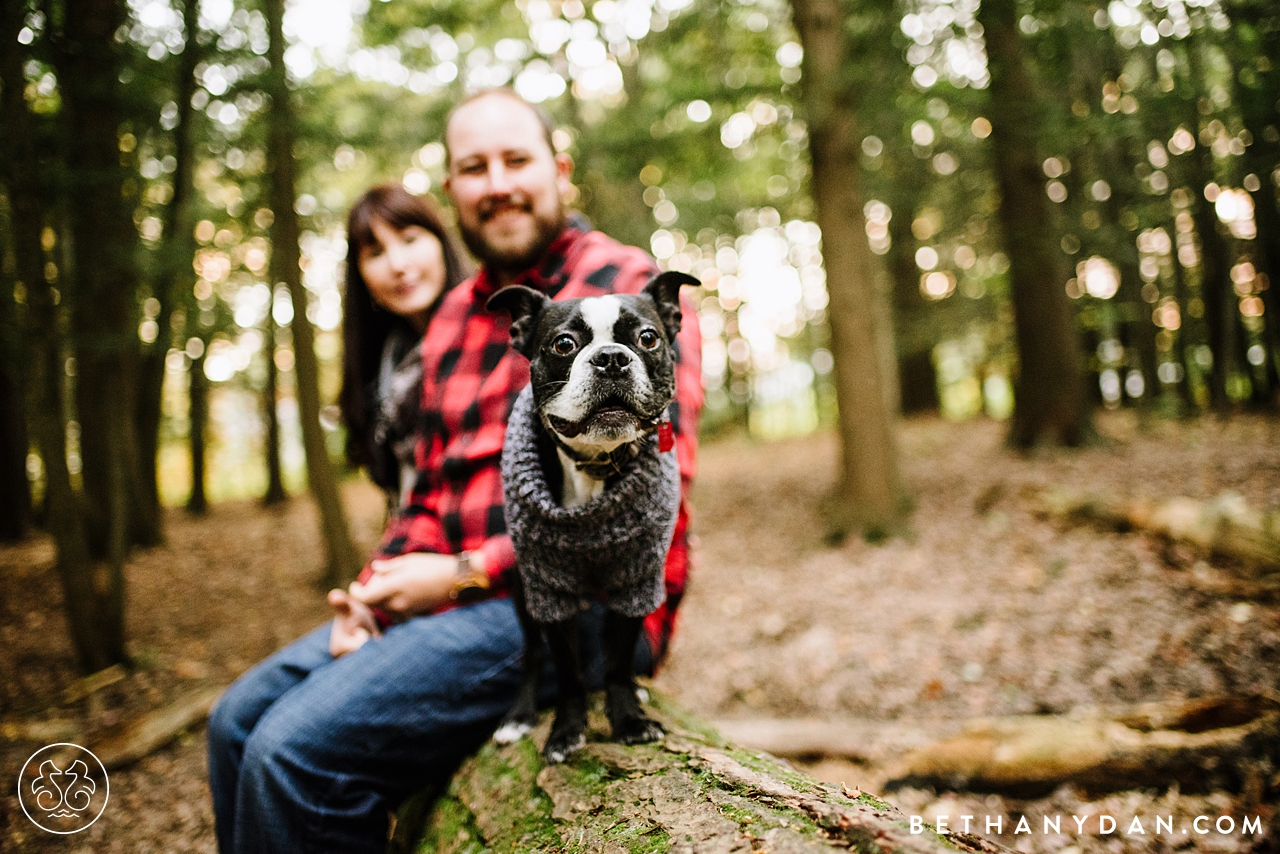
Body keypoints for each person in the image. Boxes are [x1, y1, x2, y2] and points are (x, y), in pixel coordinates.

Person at [206, 88, 702, 854]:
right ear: (453, 192)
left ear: (559, 170)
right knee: (235, 723)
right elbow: (426, 494)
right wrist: (371, 592)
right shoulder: (452, 319)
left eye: (516, 159)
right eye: (475, 167)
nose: (496, 181)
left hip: (583, 602)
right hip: (455, 598)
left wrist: (466, 572)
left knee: (291, 755)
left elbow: (653, 486)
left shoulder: (627, 287)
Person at [336, 183, 470, 507]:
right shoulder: (383, 369)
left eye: (410, 240)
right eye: (376, 253)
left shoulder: (496, 338)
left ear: (441, 243)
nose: (397, 264)